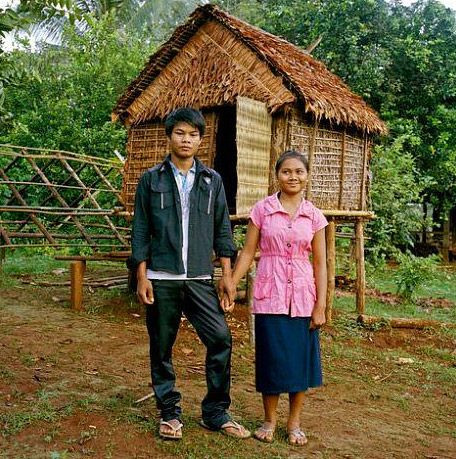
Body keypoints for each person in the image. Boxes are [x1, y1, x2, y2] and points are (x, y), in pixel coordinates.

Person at [131, 107, 250, 441]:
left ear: (201, 139)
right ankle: (169, 413)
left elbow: (222, 231)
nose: (186, 139)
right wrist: (142, 276)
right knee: (162, 346)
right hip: (162, 277)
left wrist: (226, 276)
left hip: (199, 277)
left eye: (193, 134)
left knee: (220, 338)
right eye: (180, 133)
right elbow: (140, 231)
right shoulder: (151, 180)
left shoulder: (212, 181)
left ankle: (215, 412)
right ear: (169, 136)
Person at [223, 150, 327, 446]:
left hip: (303, 298)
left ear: (307, 176)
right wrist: (231, 281)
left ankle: (294, 423)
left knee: (300, 362)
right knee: (271, 359)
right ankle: (269, 420)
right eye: (286, 172)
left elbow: (320, 263)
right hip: (271, 295)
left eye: (298, 172)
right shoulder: (262, 210)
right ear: (276, 175)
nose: (292, 177)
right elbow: (247, 252)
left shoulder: (315, 216)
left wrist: (320, 305)